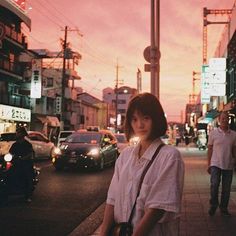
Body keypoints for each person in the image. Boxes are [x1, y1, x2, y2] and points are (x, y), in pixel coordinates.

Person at [100, 93, 185, 236]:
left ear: (156, 119)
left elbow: (157, 208)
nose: (140, 125)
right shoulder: (125, 156)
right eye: (134, 119)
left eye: (146, 118)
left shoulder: (170, 157)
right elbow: (112, 199)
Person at [207, 111, 236, 216]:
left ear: (228, 120)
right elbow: (210, 149)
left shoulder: (233, 135)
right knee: (214, 185)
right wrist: (209, 164)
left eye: (226, 118)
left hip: (228, 164)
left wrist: (234, 161)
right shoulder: (213, 133)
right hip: (215, 163)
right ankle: (213, 204)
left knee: (226, 188)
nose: (224, 120)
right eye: (222, 118)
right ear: (219, 120)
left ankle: (223, 208)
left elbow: (234, 150)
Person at [9, 126, 34, 203]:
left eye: (18, 132)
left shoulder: (27, 144)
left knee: (27, 177)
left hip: (25, 163)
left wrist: (23, 158)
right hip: (16, 163)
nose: (17, 134)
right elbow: (10, 153)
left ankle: (28, 196)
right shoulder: (15, 145)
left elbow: (30, 153)